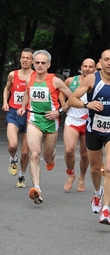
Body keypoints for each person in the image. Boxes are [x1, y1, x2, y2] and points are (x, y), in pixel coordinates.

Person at [67, 49, 110, 225]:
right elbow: (71, 100)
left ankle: (106, 209)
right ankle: (97, 193)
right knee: (95, 169)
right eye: (106, 59)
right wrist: (87, 104)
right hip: (93, 129)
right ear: (101, 62)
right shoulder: (92, 79)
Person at [17, 50, 72, 203]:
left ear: (48, 64)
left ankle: (50, 159)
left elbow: (72, 98)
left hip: (51, 121)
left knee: (47, 156)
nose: (40, 65)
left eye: (43, 63)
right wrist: (23, 107)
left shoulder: (55, 81)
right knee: (34, 154)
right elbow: (27, 94)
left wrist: (59, 111)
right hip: (34, 119)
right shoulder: (30, 79)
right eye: (37, 62)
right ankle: (37, 188)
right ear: (33, 64)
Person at [61, 58, 96, 192]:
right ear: (81, 67)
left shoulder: (97, 82)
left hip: (89, 121)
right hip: (73, 119)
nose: (87, 69)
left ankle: (82, 177)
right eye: (85, 66)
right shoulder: (71, 81)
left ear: (94, 68)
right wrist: (64, 104)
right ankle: (71, 174)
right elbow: (61, 93)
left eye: (90, 67)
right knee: (69, 150)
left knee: (85, 154)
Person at [2, 48, 35, 188]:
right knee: (13, 145)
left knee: (25, 151)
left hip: (29, 114)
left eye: (28, 58)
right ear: (20, 58)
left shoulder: (36, 76)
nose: (25, 60)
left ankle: (21, 176)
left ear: (32, 61)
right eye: (23, 57)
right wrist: (5, 102)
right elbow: (7, 88)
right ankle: (13, 159)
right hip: (13, 112)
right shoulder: (12, 74)